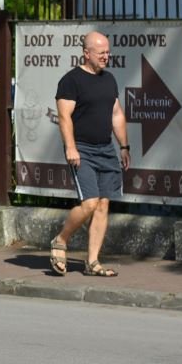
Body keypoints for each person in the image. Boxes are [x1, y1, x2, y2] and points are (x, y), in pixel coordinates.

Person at [49, 31, 130, 278]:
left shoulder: (109, 80)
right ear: (86, 53)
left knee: (103, 204)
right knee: (90, 203)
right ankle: (61, 240)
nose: (106, 56)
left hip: (106, 149)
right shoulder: (71, 81)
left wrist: (124, 146)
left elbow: (116, 114)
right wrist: (70, 147)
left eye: (108, 52)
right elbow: (64, 116)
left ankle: (93, 262)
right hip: (82, 149)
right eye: (101, 52)